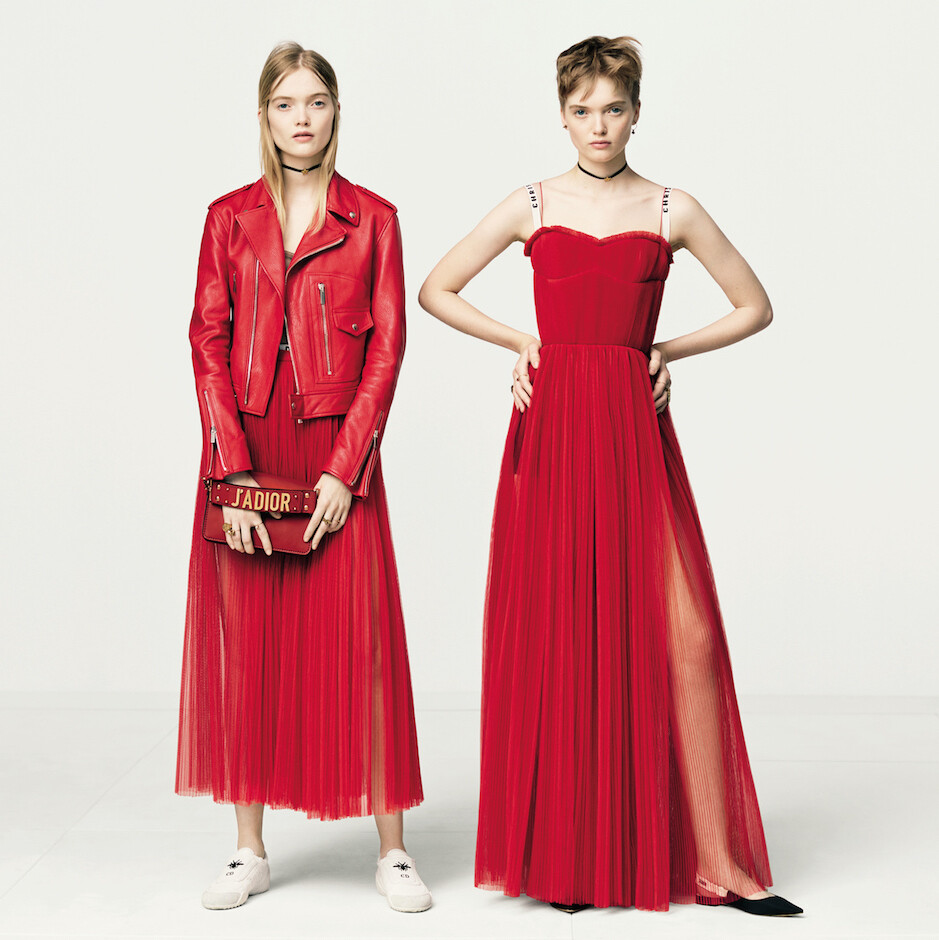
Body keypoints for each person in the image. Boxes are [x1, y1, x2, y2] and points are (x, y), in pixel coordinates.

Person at [419, 35, 801, 917]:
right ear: (561, 116)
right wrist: (520, 342)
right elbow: (436, 288)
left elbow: (754, 306)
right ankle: (574, 864)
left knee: (685, 637)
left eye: (614, 109)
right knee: (566, 638)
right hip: (554, 431)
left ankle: (719, 864)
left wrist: (664, 350)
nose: (598, 125)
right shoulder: (530, 201)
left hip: (631, 428)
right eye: (582, 110)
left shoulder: (671, 207)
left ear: (636, 113)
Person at [175, 41, 431, 914]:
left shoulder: (375, 219)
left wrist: (345, 471)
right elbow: (206, 342)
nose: (301, 118)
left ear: (335, 112)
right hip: (247, 446)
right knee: (247, 650)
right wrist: (232, 477)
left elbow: (387, 351)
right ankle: (248, 850)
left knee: (364, 649)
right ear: (263, 116)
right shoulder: (227, 218)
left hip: (334, 448)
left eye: (315, 101)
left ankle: (393, 852)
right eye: (285, 103)